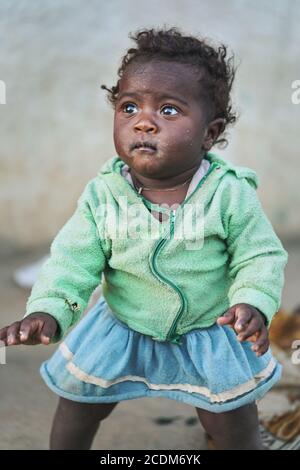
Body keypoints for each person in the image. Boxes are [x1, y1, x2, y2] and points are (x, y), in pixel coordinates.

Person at [0, 27, 288, 450]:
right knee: (80, 399)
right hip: (124, 324)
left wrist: (252, 302)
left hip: (206, 328)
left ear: (210, 133)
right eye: (128, 106)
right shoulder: (104, 194)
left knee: (228, 414)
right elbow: (71, 260)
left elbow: (259, 254)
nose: (144, 121)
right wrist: (48, 308)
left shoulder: (228, 193)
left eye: (169, 111)